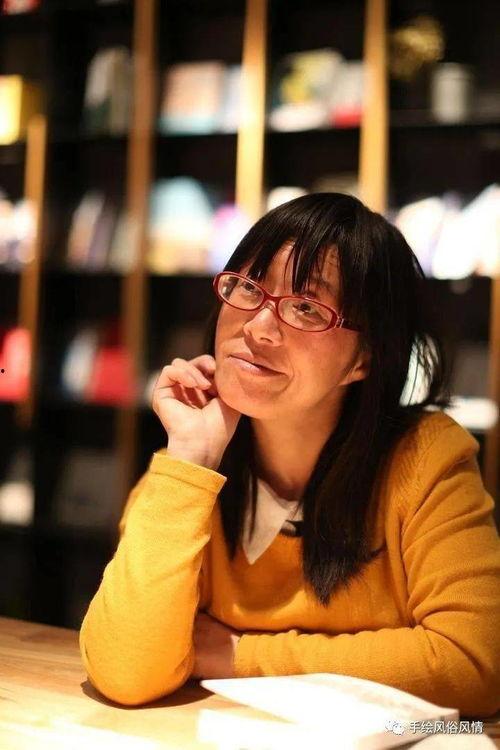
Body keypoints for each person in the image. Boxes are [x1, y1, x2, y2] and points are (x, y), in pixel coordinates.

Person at [79, 193, 500, 715]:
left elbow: (474, 664)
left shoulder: (426, 458)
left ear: (364, 358)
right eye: (248, 287)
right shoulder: (189, 467)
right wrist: (189, 459)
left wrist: (236, 655)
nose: (257, 327)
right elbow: (125, 672)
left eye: (306, 307)